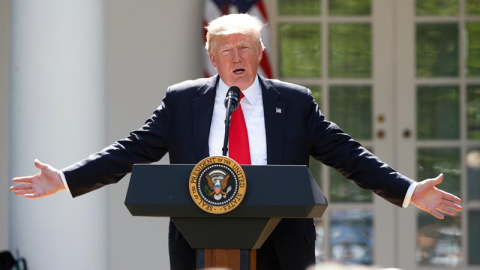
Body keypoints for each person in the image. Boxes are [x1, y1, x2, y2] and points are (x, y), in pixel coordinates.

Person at [10, 13, 462, 270]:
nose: (237, 57)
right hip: (201, 241)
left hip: (283, 243)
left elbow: (348, 154)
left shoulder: (294, 102)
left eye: (245, 47)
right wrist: (67, 180)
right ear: (212, 58)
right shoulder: (183, 101)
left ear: (259, 52)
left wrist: (406, 190)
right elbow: (133, 149)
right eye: (226, 50)